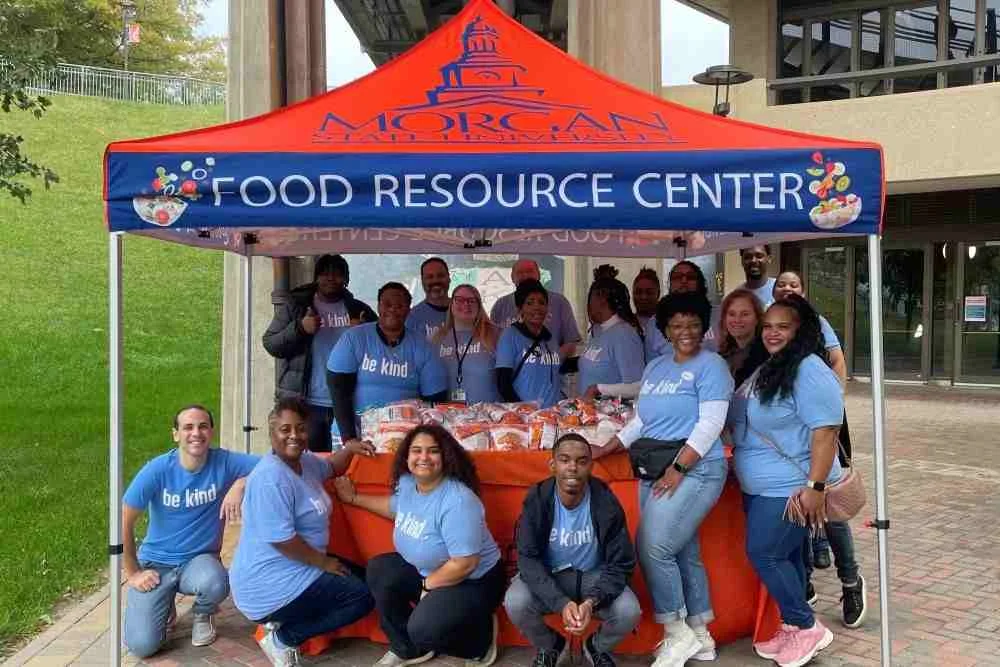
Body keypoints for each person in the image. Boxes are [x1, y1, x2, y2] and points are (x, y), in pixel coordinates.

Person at [594, 292, 733, 667]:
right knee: (681, 550)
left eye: (692, 323)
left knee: (653, 547)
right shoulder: (656, 367)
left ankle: (676, 632)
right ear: (665, 330)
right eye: (676, 324)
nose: (684, 331)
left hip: (696, 469)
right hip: (654, 467)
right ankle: (701, 635)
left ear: (704, 327)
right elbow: (642, 421)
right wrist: (609, 446)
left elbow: (710, 424)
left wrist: (679, 468)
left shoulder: (713, 366)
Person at [727, 295, 843, 667]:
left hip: (790, 487)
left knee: (765, 552)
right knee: (788, 555)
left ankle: (806, 626)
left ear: (801, 330)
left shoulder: (809, 368)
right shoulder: (775, 365)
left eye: (783, 326)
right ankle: (794, 628)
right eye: (768, 326)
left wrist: (815, 487)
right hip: (761, 485)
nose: (773, 333)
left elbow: (825, 431)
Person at [333, 424, 505, 667]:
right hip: (432, 571)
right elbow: (397, 509)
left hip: (473, 580)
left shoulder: (458, 501)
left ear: (445, 456)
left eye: (433, 451)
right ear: (407, 456)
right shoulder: (408, 484)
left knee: (424, 629)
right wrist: (353, 499)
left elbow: (466, 563)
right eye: (416, 450)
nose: (423, 457)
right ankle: (408, 649)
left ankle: (479, 640)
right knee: (380, 569)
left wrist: (428, 585)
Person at [230, 399, 374, 667]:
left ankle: (288, 622)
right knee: (361, 597)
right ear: (272, 434)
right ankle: (284, 637)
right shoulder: (270, 478)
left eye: (300, 428)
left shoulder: (304, 462)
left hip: (298, 564)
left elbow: (332, 467)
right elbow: (282, 541)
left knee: (370, 577)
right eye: (285, 430)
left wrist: (351, 448)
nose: (294, 435)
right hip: (268, 582)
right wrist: (324, 563)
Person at [122, 405, 259, 659]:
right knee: (141, 646)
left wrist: (241, 483)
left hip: (198, 562)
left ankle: (203, 613)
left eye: (203, 426)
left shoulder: (225, 462)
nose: (196, 433)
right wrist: (133, 572)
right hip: (156, 565)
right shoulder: (158, 469)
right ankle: (163, 608)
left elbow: (273, 466)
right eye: (188, 427)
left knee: (217, 582)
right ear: (175, 434)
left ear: (211, 432)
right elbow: (124, 519)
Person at [772, 272, 867, 628]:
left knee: (829, 503)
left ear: (803, 290)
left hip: (820, 426)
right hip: (788, 437)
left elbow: (837, 362)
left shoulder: (817, 323)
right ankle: (805, 578)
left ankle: (850, 581)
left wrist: (831, 400)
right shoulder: (772, 325)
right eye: (782, 285)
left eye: (793, 285)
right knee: (797, 504)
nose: (787, 289)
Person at [504, 433, 641, 667]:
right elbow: (528, 559)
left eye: (581, 461)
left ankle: (596, 647)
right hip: (551, 576)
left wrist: (591, 602)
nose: (572, 468)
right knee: (515, 601)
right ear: (552, 465)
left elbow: (621, 562)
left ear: (591, 465)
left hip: (594, 577)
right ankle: (552, 646)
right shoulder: (537, 499)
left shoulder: (605, 501)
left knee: (629, 611)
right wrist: (560, 603)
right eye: (565, 460)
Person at [263, 254, 376, 452]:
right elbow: (271, 343)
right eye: (325, 273)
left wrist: (363, 333)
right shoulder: (296, 306)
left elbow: (381, 349)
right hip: (305, 404)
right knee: (301, 466)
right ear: (316, 277)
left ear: (347, 280)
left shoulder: (359, 310)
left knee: (342, 468)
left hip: (347, 405)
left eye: (337, 274)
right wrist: (300, 329)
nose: (331, 278)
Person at [327, 282, 449, 450]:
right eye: (387, 304)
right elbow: (338, 389)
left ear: (408, 310)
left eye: (399, 305)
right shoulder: (354, 338)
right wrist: (349, 439)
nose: (393, 309)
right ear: (378, 306)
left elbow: (435, 399)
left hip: (403, 436)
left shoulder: (423, 346)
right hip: (353, 433)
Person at [496, 279, 564, 408]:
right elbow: (502, 383)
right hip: (526, 417)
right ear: (520, 309)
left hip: (553, 415)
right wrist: (524, 409)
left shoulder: (550, 338)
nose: (537, 307)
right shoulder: (510, 335)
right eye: (529, 303)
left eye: (542, 302)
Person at [490, 258, 581, 353]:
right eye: (520, 273)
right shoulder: (500, 305)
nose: (525, 276)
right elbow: (492, 342)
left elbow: (571, 342)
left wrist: (552, 362)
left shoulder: (560, 302)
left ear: (539, 275)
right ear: (512, 278)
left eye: (529, 271)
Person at [578, 273, 646, 400]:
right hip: (589, 414)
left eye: (590, 298)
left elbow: (638, 386)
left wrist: (599, 389)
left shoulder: (624, 334)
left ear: (601, 299)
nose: (588, 305)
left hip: (612, 417)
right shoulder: (598, 330)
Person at [433, 284, 501, 404]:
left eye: (471, 301)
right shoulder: (437, 339)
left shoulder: (497, 334)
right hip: (451, 415)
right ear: (451, 304)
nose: (466, 304)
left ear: (479, 305)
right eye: (459, 300)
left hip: (488, 415)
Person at [644, 261, 720, 360]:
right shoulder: (655, 323)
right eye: (677, 277)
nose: (684, 281)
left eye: (690, 277)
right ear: (670, 285)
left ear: (700, 282)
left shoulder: (720, 315)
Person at [717, 288, 767, 385]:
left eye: (745, 314)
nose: (737, 320)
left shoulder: (766, 356)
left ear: (757, 318)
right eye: (732, 314)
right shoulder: (721, 357)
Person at [407, 257, 452, 341]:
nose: (435, 280)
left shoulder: (466, 310)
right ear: (422, 281)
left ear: (449, 278)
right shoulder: (412, 318)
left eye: (440, 275)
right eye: (429, 277)